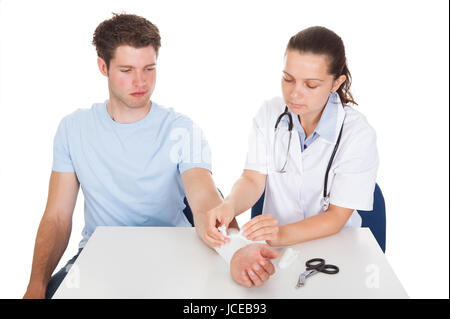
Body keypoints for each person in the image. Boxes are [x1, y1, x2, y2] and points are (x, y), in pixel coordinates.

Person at [23, 13, 277, 299]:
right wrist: (36, 285)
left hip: (172, 253)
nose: (140, 81)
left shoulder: (182, 129)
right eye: (127, 70)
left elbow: (204, 197)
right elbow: (57, 217)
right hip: (99, 254)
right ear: (103, 67)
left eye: (149, 68)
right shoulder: (73, 128)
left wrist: (234, 250)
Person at [198, 26, 379, 285]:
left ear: (335, 83)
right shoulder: (270, 114)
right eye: (288, 78)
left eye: (311, 84)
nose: (294, 93)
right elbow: (252, 179)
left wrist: (280, 234)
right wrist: (229, 205)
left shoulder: (357, 135)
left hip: (335, 251)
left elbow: (337, 217)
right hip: (274, 251)